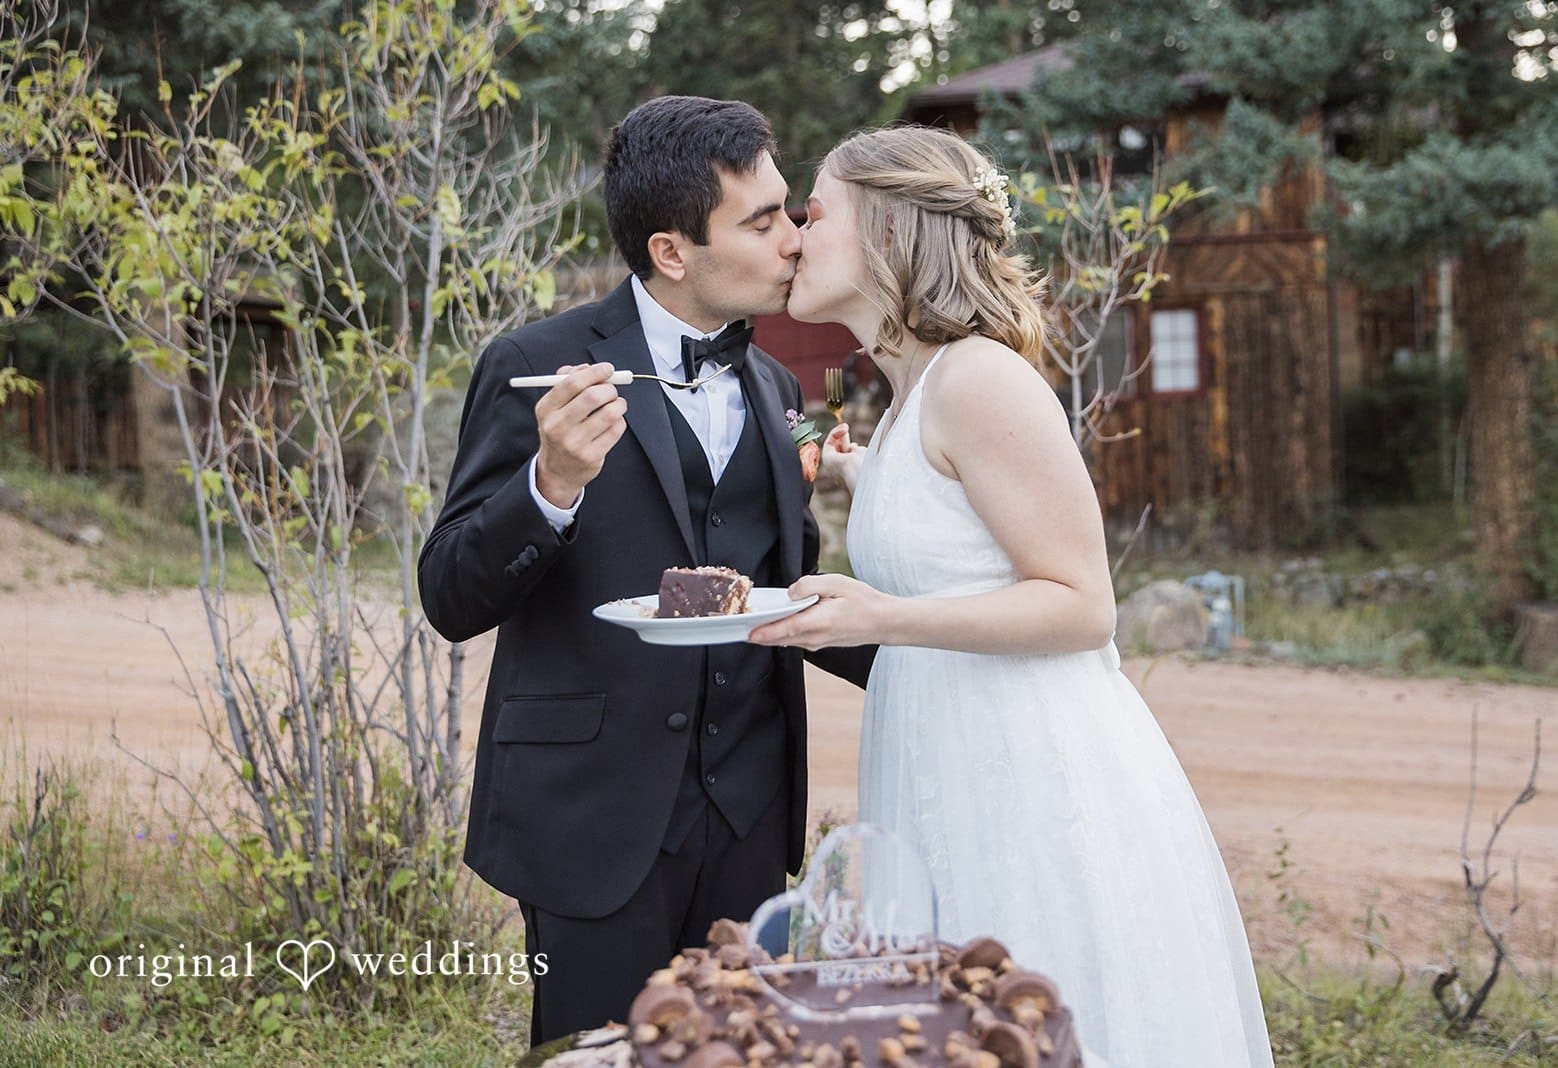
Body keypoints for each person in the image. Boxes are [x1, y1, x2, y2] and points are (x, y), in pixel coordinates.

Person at [747, 126, 1274, 1067]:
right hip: (939, 756)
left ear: (889, 233)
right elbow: (963, 540)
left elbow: (1082, 605)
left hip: (1026, 773)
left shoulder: (980, 377)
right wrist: (873, 480)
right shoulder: (910, 394)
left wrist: (881, 616)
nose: (791, 234)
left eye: (813, 212)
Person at [418, 96, 873, 1045]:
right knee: (594, 1057)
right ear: (672, 251)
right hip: (591, 815)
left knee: (735, 1055)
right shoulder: (536, 366)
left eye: (788, 210)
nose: (794, 238)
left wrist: (953, 645)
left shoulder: (776, 385)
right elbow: (449, 594)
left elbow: (791, 586)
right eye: (762, 220)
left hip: (748, 814)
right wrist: (549, 486)